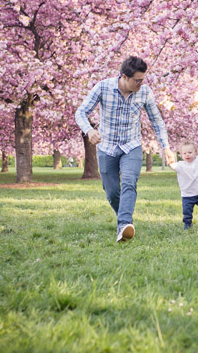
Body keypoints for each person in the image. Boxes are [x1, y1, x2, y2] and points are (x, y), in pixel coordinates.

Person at [75, 56, 175, 243]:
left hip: (132, 145)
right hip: (106, 147)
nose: (141, 83)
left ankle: (124, 224)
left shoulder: (144, 92)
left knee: (129, 182)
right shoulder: (103, 87)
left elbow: (157, 121)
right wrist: (88, 130)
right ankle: (124, 219)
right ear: (124, 77)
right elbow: (80, 112)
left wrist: (166, 147)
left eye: (142, 79)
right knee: (111, 191)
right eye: (137, 80)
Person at [169, 140, 198, 230]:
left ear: (195, 153)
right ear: (181, 155)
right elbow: (173, 166)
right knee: (187, 213)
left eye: (190, 152)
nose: (187, 155)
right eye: (184, 153)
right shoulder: (180, 165)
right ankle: (187, 225)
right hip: (187, 195)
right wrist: (170, 162)